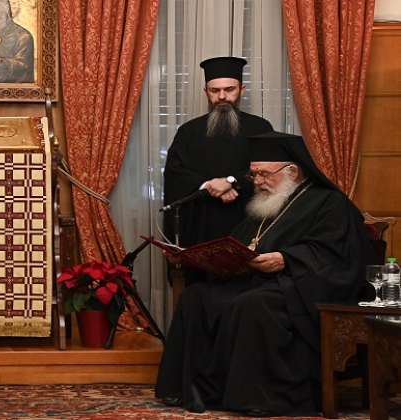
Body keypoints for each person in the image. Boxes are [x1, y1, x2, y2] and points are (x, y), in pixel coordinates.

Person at [156, 132, 373, 416]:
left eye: (263, 174)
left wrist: (287, 259)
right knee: (196, 297)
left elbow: (339, 256)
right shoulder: (265, 205)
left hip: (300, 287)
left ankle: (257, 398)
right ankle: (200, 391)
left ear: (292, 171)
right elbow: (240, 244)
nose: (257, 182)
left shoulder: (329, 202)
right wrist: (205, 259)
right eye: (254, 174)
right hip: (255, 281)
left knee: (253, 305)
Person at [163, 57, 274, 286]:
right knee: (200, 296)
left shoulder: (260, 128)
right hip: (201, 229)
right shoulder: (188, 132)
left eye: (229, 89)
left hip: (248, 225)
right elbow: (175, 175)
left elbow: (271, 170)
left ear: (241, 89)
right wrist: (209, 184)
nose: (222, 97)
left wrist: (232, 181)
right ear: (206, 92)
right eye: (215, 90)